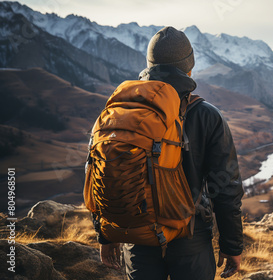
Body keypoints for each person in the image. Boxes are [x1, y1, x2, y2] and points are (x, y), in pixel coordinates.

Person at [97, 26, 244, 280]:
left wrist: (106, 235)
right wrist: (232, 247)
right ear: (189, 68)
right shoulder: (207, 115)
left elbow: (102, 170)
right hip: (191, 240)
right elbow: (226, 186)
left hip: (137, 237)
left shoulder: (123, 112)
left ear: (149, 67)